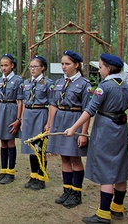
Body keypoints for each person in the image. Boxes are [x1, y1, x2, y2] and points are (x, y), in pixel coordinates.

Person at [65, 53, 128, 223]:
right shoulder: (125, 85)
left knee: (107, 170)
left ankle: (103, 213)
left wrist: (74, 128)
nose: (99, 71)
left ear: (108, 68)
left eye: (101, 67)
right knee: (120, 166)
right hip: (121, 128)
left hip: (106, 130)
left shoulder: (105, 86)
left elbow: (90, 109)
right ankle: (117, 206)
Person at [47, 50, 91, 209]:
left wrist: (83, 133)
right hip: (60, 120)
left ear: (76, 65)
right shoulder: (59, 82)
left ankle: (76, 193)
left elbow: (87, 110)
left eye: (67, 64)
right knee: (64, 157)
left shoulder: (84, 84)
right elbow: (53, 104)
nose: (64, 67)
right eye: (62, 64)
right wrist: (50, 124)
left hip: (75, 120)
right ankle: (67, 189)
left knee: (74, 158)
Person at [21, 55, 53, 190]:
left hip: (41, 114)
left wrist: (49, 123)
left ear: (43, 68)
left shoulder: (48, 83)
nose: (32, 69)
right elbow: (23, 101)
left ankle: (41, 177)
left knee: (40, 148)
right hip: (29, 114)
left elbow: (52, 104)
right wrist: (22, 119)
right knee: (30, 147)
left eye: (35, 66)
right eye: (31, 67)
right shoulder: (27, 83)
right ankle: (33, 175)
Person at [0, 53, 23, 185]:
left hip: (11, 109)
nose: (3, 68)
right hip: (0, 109)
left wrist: (18, 119)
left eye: (6, 65)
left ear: (12, 65)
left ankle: (10, 172)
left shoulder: (17, 80)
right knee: (2, 142)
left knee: (10, 141)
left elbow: (20, 101)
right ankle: (3, 170)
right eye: (2, 66)